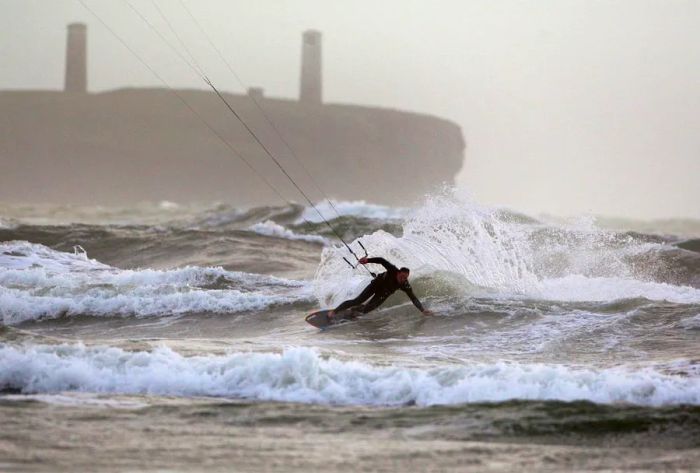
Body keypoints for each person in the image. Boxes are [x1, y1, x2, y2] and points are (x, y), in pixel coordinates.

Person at [329, 256, 432, 319]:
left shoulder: (405, 285)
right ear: (398, 272)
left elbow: (413, 298)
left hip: (384, 294)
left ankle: (354, 312)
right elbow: (381, 260)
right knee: (358, 300)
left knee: (368, 309)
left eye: (405, 278)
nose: (403, 279)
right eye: (402, 276)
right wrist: (367, 260)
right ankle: (334, 311)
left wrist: (422, 310)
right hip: (375, 285)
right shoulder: (392, 270)